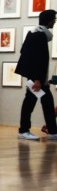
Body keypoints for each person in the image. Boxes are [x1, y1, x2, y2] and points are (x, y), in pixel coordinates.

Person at [15, 9, 57, 140]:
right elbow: (37, 59)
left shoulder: (35, 33)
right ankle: (24, 130)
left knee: (46, 102)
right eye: (54, 19)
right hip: (36, 79)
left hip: (37, 78)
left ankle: (52, 131)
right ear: (49, 21)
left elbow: (25, 52)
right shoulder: (39, 36)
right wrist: (37, 79)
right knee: (30, 103)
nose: (55, 22)